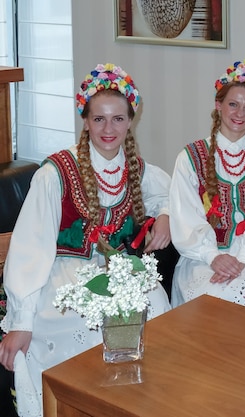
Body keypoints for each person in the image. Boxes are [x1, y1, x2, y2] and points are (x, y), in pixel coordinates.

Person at [0, 63, 172, 417]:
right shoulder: (55, 173)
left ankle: (141, 405)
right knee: (93, 328)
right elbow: (30, 248)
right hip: (65, 277)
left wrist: (166, 215)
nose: (109, 129)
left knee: (158, 312)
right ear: (85, 120)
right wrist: (21, 322)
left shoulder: (136, 168)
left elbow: (167, 193)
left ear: (130, 120)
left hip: (121, 272)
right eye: (99, 119)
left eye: (118, 119)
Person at [169, 59, 245, 316]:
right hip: (203, 254)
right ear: (218, 105)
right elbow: (185, 217)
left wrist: (242, 258)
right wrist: (213, 256)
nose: (239, 113)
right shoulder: (190, 157)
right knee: (211, 295)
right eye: (233, 104)